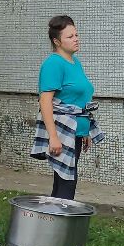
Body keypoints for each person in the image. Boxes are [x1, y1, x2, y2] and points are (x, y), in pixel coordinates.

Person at [30, 14, 96, 201]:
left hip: (76, 131)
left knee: (65, 182)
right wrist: (53, 137)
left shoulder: (75, 62)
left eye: (76, 34)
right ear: (56, 41)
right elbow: (45, 102)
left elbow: (77, 99)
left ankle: (53, 225)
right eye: (70, 36)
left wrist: (85, 131)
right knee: (66, 184)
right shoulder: (53, 64)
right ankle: (58, 226)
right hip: (62, 132)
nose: (76, 39)